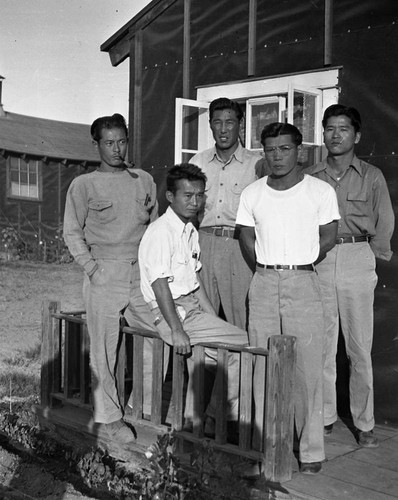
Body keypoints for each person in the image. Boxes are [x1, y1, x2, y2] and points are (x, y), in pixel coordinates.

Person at [236, 122, 340, 474]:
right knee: (263, 367)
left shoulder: (320, 191)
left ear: (300, 151)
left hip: (304, 280)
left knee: (307, 369)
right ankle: (270, 447)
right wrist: (267, 268)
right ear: (263, 152)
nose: (277, 156)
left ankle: (310, 451)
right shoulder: (252, 193)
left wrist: (301, 260)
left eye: (284, 149)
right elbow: (246, 238)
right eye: (270, 149)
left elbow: (329, 236)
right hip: (263, 280)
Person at [63, 113, 158, 443]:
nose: (117, 149)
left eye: (122, 141)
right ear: (96, 145)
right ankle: (109, 419)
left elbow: (155, 229)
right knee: (104, 350)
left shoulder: (143, 180)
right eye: (109, 143)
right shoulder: (84, 185)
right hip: (104, 272)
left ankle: (142, 406)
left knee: (155, 335)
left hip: (140, 273)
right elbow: (72, 232)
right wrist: (92, 269)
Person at [306, 104, 395, 447]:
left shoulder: (371, 176)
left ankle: (365, 423)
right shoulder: (311, 177)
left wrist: (368, 257)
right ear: (323, 133)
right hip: (321, 258)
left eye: (343, 129)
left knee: (359, 348)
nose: (335, 135)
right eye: (329, 128)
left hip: (358, 256)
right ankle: (326, 417)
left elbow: (384, 222)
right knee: (324, 345)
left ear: (356, 135)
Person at [137, 163, 248, 429]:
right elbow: (159, 285)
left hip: (191, 308)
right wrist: (176, 330)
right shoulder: (162, 232)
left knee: (214, 355)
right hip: (171, 312)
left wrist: (213, 319)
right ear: (170, 197)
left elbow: (195, 282)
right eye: (188, 196)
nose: (195, 202)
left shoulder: (190, 231)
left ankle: (194, 420)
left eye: (199, 195)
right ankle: (215, 416)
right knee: (244, 344)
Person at [190, 97, 264, 330]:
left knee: (241, 317)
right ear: (210, 125)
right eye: (217, 122)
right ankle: (202, 368)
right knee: (201, 315)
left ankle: (243, 367)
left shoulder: (256, 164)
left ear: (240, 124)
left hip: (239, 245)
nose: (223, 129)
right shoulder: (198, 162)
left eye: (230, 122)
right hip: (204, 244)